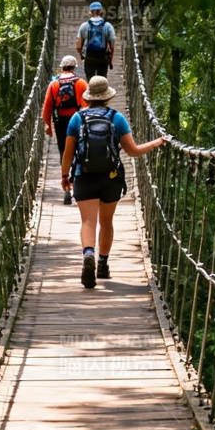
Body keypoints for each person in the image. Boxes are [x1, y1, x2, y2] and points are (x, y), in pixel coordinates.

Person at [60, 75, 164, 288]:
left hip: (84, 176)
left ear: (87, 97)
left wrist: (64, 176)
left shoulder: (77, 119)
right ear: (107, 97)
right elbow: (132, 151)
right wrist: (156, 143)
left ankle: (88, 253)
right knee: (106, 222)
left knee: (88, 221)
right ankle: (103, 264)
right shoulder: (117, 118)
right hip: (110, 178)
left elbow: (68, 154)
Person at [42, 55, 87, 204]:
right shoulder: (81, 83)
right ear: (74, 67)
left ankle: (67, 189)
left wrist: (47, 124)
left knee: (64, 153)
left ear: (61, 67)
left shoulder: (54, 84)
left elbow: (48, 106)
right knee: (79, 152)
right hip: (78, 121)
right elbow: (87, 105)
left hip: (60, 123)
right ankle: (80, 187)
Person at [77, 2, 117, 79]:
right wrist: (110, 60)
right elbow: (112, 46)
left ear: (90, 13)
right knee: (102, 80)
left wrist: (81, 56)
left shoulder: (84, 26)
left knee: (90, 79)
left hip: (89, 57)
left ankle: (91, 89)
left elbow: (78, 46)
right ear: (101, 12)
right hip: (103, 57)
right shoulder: (108, 26)